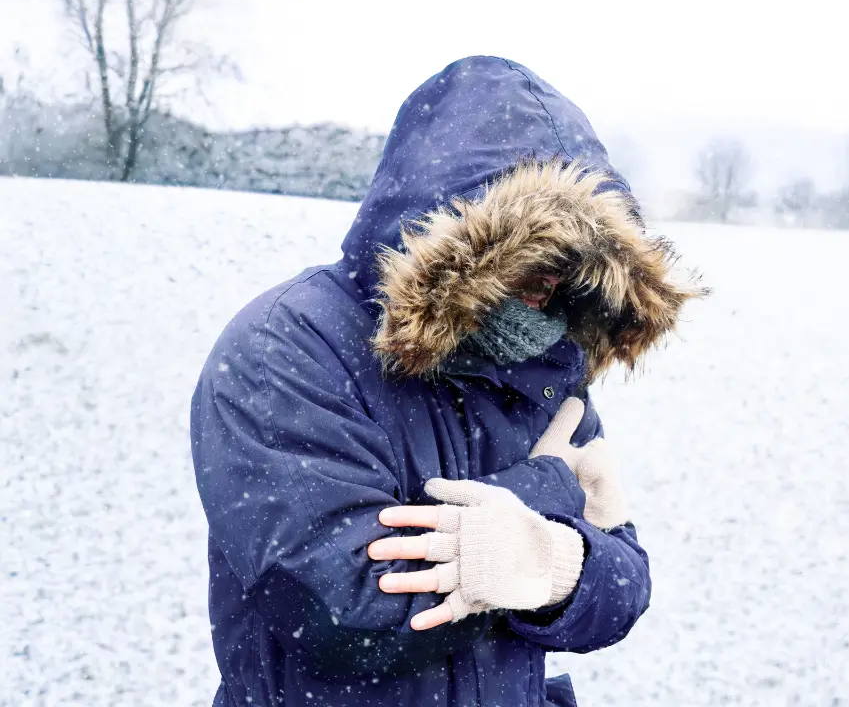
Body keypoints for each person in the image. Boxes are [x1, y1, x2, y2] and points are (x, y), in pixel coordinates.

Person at [189, 55, 703, 706]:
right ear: (459, 234)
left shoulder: (548, 366)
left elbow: (625, 589)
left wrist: (549, 563)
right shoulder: (286, 347)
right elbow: (343, 610)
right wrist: (546, 493)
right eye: (530, 245)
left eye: (575, 255)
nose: (552, 275)